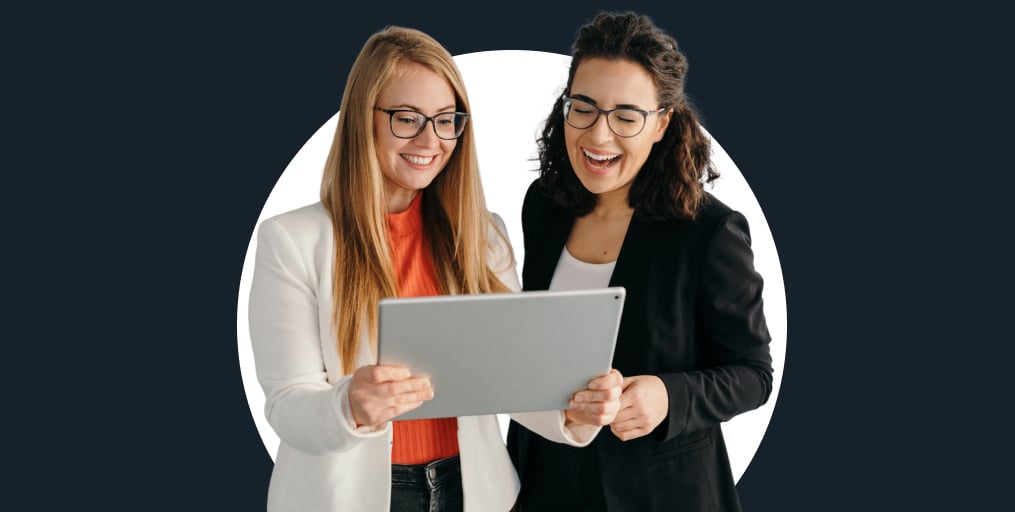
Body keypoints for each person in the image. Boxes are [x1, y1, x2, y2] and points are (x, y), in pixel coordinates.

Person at [248, 26, 622, 512]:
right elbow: (286, 403)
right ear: (365, 120)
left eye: (447, 121)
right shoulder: (292, 240)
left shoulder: (484, 234)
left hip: (470, 490)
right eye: (408, 118)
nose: (431, 139)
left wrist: (575, 411)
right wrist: (349, 405)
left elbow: (507, 374)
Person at [506, 12, 773, 512]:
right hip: (543, 478)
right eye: (583, 108)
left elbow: (753, 372)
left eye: (626, 116)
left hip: (662, 492)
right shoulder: (543, 204)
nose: (598, 136)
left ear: (661, 125)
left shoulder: (709, 232)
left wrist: (670, 397)